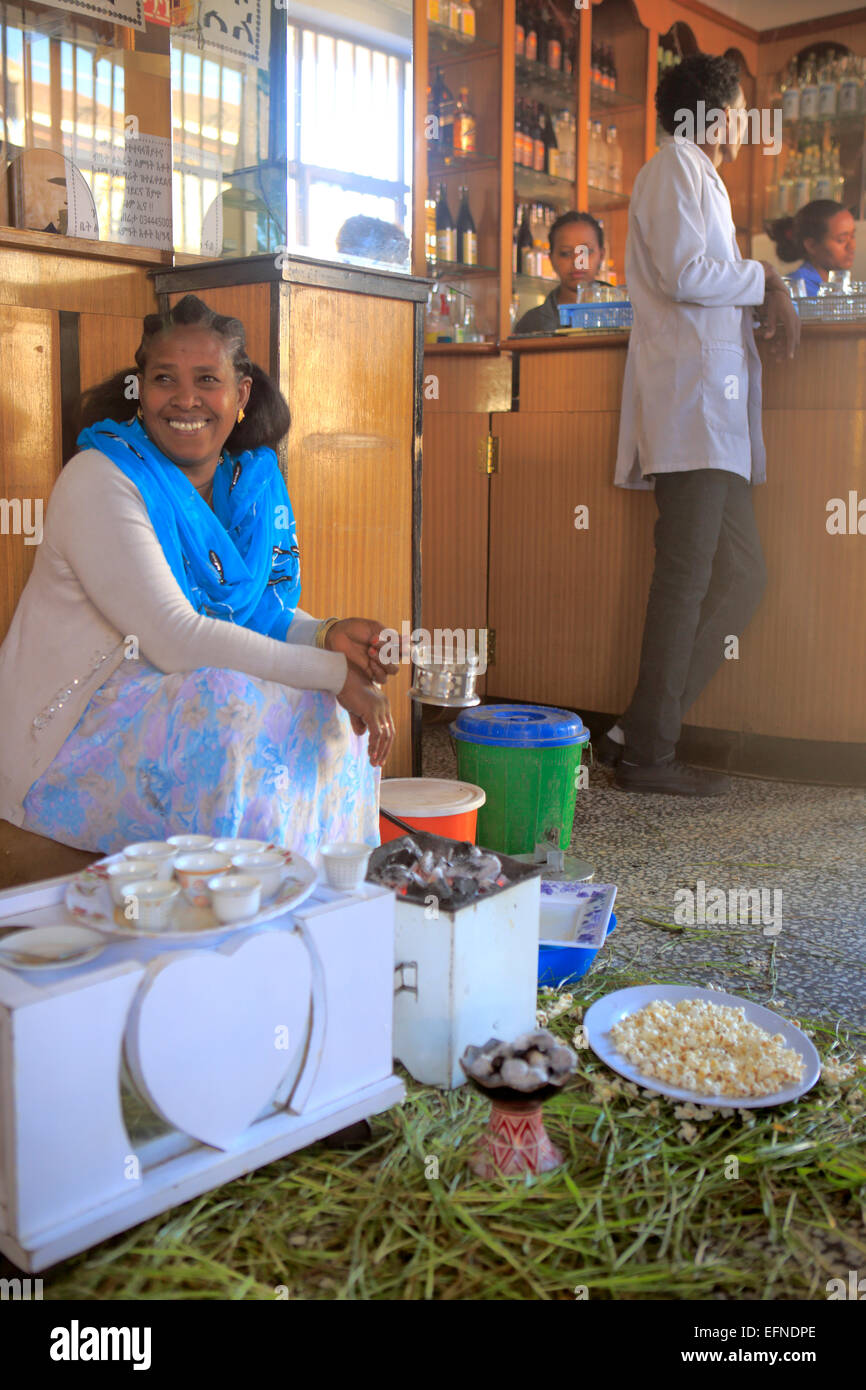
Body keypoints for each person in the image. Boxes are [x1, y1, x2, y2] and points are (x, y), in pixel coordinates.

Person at [0, 294, 397, 858]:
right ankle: (236, 908)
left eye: (207, 379)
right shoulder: (100, 478)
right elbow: (177, 636)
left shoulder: (244, 486)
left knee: (328, 695)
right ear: (141, 390)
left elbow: (255, 615)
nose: (185, 399)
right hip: (65, 741)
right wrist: (332, 670)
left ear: (241, 394)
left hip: (168, 698)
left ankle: (319, 900)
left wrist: (327, 637)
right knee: (230, 703)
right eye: (165, 378)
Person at [601, 53, 800, 796]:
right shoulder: (676, 168)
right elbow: (688, 276)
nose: (745, 124)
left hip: (710, 414)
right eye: (742, 109)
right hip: (692, 409)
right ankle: (650, 756)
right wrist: (767, 277)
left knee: (742, 574)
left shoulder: (696, 174)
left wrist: (757, 280)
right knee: (684, 578)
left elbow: (702, 276)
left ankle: (637, 728)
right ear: (713, 113)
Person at [513, 211, 612, 334]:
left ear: (601, 256)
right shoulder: (532, 323)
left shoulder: (627, 313)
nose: (577, 262)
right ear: (551, 259)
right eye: (565, 253)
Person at [766, 200, 856, 297]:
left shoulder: (843, 285)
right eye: (841, 240)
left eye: (853, 236)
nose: (852, 246)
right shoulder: (795, 289)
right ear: (811, 245)